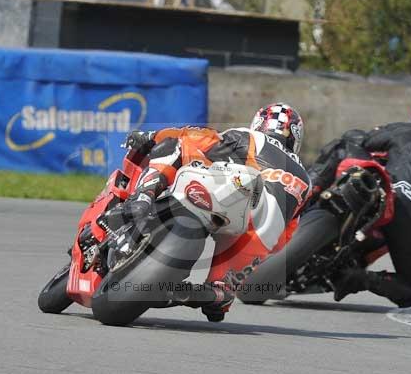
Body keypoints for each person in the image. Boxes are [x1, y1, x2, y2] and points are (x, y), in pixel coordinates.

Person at [118, 103, 311, 321]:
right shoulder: (306, 180)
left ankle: (143, 195)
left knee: (179, 144)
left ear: (259, 124)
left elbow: (200, 137)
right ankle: (215, 294)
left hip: (234, 194)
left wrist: (152, 136)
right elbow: (283, 240)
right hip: (259, 237)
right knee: (222, 294)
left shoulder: (252, 137)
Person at [307, 89, 411, 307]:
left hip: (383, 195)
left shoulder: (404, 130)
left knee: (344, 143)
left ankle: (305, 193)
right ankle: (358, 278)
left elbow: (361, 140)